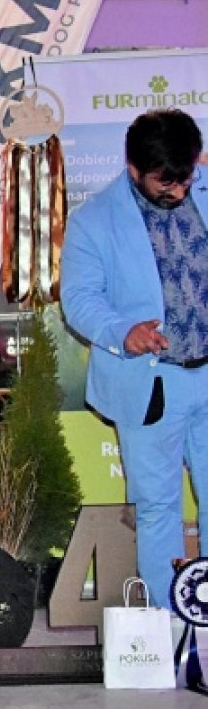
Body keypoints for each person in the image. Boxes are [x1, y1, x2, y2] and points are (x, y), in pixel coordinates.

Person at [62, 108, 208, 609]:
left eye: (186, 177)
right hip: (151, 384)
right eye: (166, 182)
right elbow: (79, 299)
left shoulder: (202, 185)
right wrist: (122, 332)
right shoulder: (93, 220)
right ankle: (171, 621)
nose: (180, 191)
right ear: (133, 169)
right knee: (158, 506)